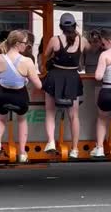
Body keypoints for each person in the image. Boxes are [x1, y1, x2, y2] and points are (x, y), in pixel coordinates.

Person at [0, 30, 43, 163]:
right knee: (21, 121)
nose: (26, 45)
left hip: (2, 95)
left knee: (0, 120)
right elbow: (38, 85)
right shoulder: (27, 61)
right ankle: (22, 153)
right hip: (19, 97)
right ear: (17, 44)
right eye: (25, 43)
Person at [42, 13, 90, 159]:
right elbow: (89, 50)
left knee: (50, 113)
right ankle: (75, 149)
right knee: (74, 116)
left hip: (55, 77)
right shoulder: (82, 40)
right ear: (75, 25)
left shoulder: (55, 40)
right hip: (73, 78)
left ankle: (51, 142)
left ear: (61, 26)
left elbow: (45, 54)